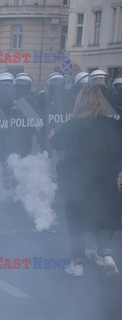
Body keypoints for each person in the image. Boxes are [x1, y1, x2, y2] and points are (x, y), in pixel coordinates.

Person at [50, 85, 122, 277]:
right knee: (104, 218)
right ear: (101, 102)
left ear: (80, 102)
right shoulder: (114, 124)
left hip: (78, 182)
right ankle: (106, 255)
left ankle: (77, 265)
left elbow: (56, 144)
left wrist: (51, 136)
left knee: (76, 222)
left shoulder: (74, 124)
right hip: (106, 180)